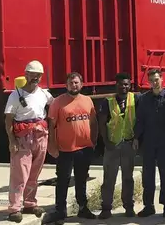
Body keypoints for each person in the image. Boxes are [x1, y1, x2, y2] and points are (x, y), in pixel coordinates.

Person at [43, 72, 98, 224]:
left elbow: (93, 122)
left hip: (84, 148)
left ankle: (83, 208)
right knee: (63, 180)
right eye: (71, 83)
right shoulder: (58, 102)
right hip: (65, 150)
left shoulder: (87, 101)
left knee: (81, 179)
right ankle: (60, 210)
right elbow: (52, 125)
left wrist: (93, 141)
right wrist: (52, 146)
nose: (74, 85)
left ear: (81, 84)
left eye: (76, 82)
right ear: (66, 85)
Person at [4, 60, 54, 223]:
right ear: (26, 74)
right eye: (32, 74)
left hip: (41, 136)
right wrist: (12, 141)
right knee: (20, 174)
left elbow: (54, 107)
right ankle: (14, 208)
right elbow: (8, 119)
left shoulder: (44, 94)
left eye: (38, 75)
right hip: (23, 138)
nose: (35, 77)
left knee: (34, 173)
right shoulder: (15, 95)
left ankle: (30, 203)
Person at [97, 72, 140, 219]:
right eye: (121, 84)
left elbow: (139, 121)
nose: (124, 87)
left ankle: (128, 207)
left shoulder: (135, 99)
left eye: (127, 84)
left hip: (128, 144)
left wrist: (136, 138)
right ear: (116, 85)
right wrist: (106, 142)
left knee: (128, 178)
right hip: (112, 145)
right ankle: (106, 208)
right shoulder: (107, 102)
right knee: (109, 179)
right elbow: (102, 123)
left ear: (130, 85)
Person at [134, 68, 165, 218]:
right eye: (151, 80)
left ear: (162, 79)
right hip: (149, 142)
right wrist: (136, 137)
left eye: (157, 79)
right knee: (148, 175)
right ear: (148, 82)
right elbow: (140, 120)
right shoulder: (144, 99)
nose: (154, 83)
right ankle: (148, 206)